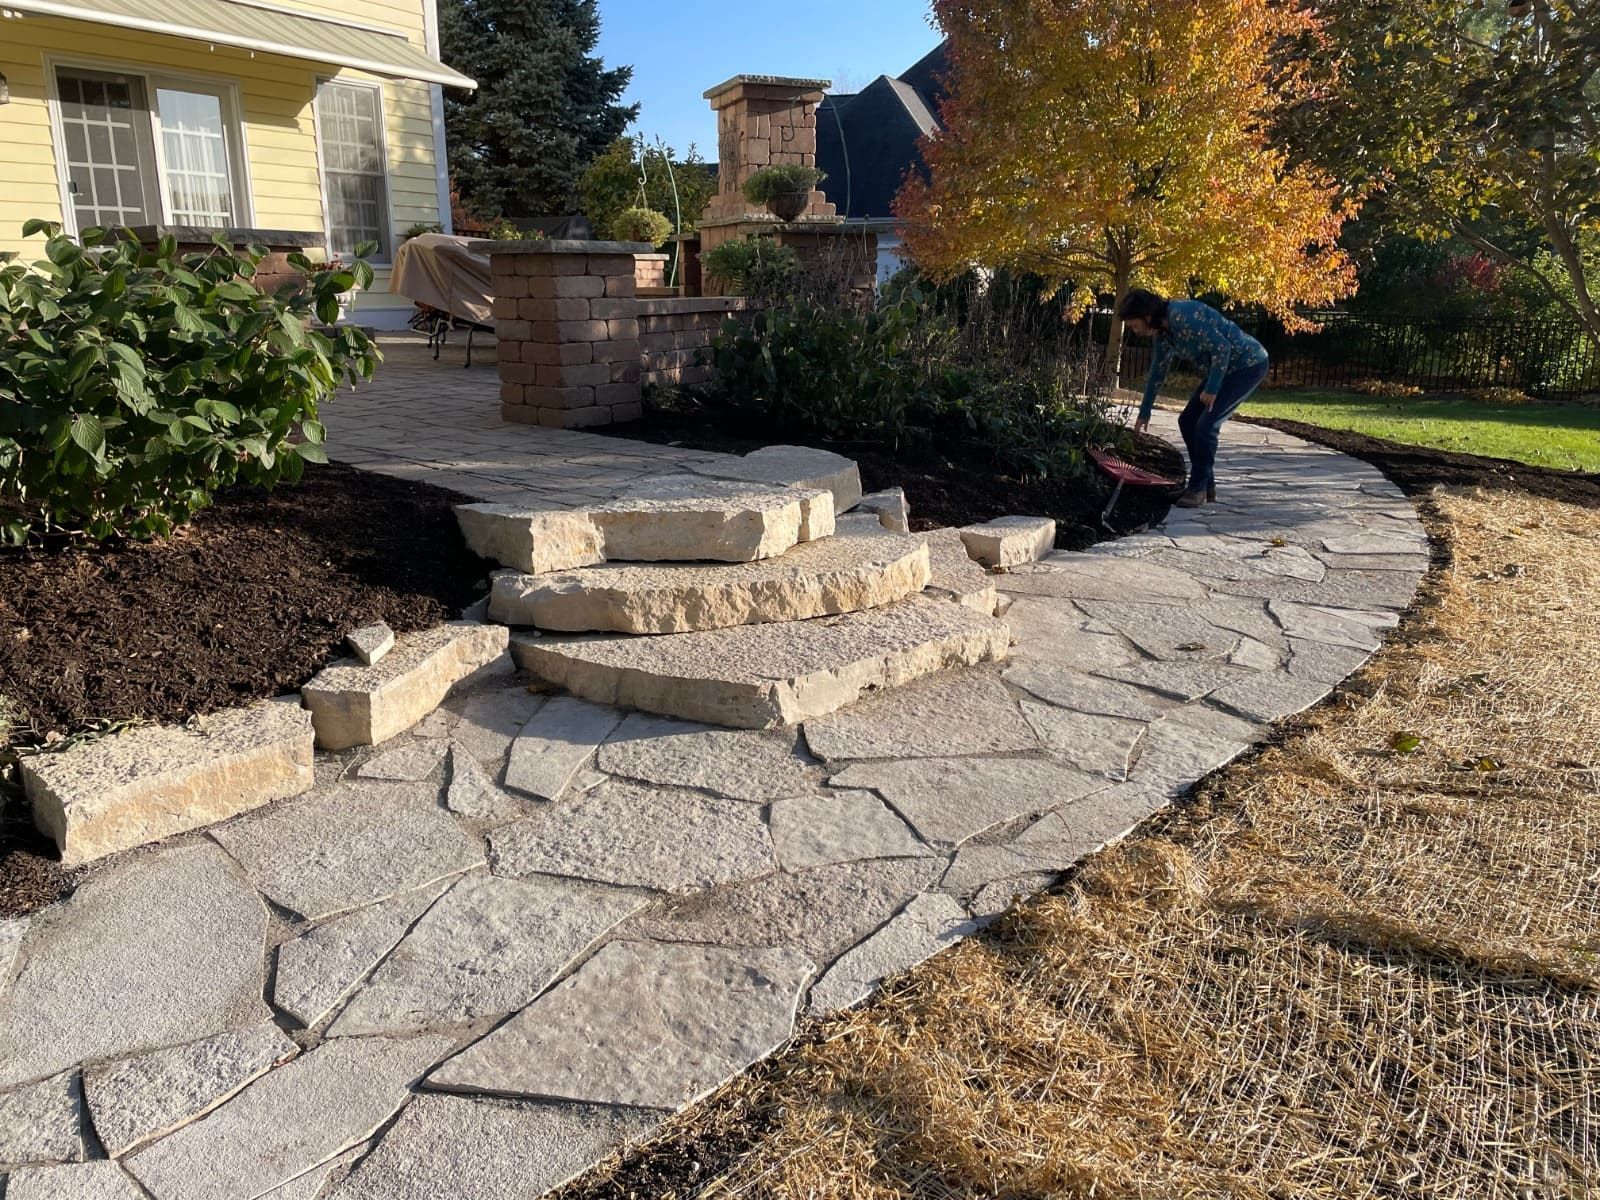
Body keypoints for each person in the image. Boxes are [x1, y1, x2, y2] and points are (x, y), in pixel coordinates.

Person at [1121, 289, 1270, 507]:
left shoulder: (1184, 315)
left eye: (1134, 325)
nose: (1134, 331)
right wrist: (1145, 411)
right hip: (1221, 369)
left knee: (1206, 426)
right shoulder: (1163, 335)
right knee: (1188, 421)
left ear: (1147, 316)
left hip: (1247, 365)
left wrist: (1212, 388)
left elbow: (1222, 348)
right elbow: (1157, 373)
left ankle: (1198, 488)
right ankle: (1204, 485)